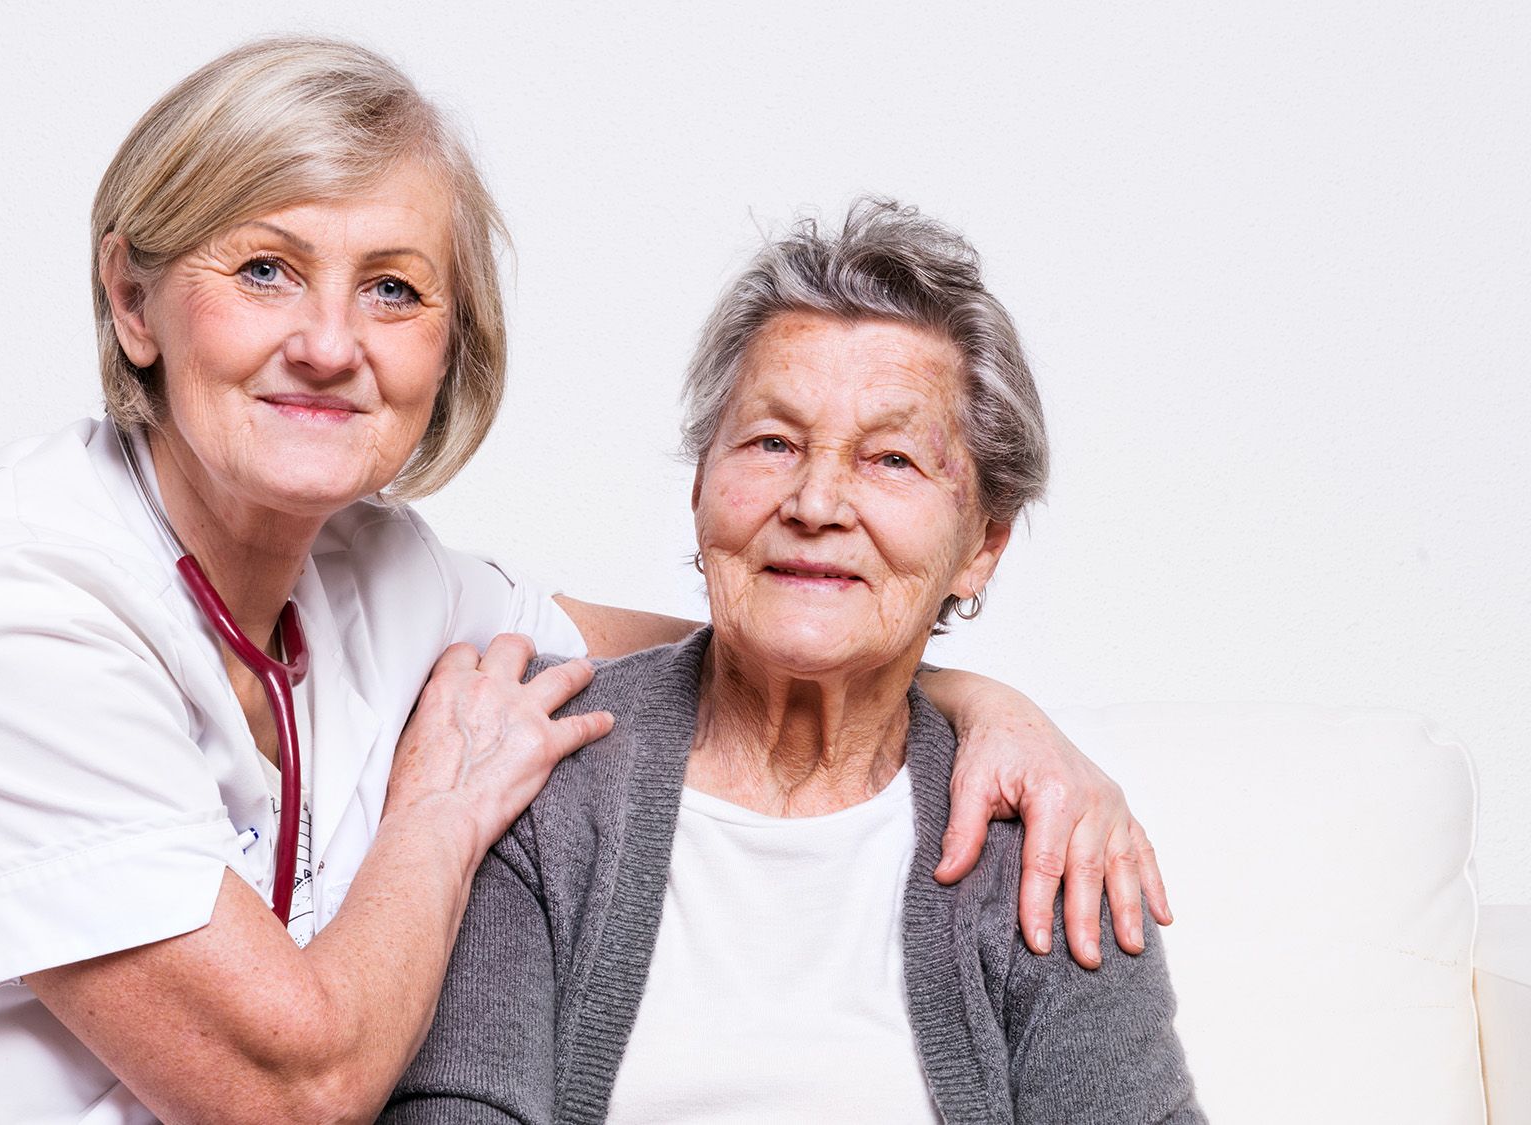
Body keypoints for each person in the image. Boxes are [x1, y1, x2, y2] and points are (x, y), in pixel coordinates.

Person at [0, 40, 1168, 1125]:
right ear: (133, 300)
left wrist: (977, 699)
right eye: (264, 268)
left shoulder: (379, 579)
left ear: (451, 343)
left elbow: (746, 622)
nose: (331, 341)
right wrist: (439, 820)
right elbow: (294, 1091)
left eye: (393, 288)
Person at [387, 200, 1202, 1124]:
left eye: (891, 459)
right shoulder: (532, 769)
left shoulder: (1050, 841)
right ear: (701, 486)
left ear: (982, 545)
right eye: (772, 443)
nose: (815, 502)